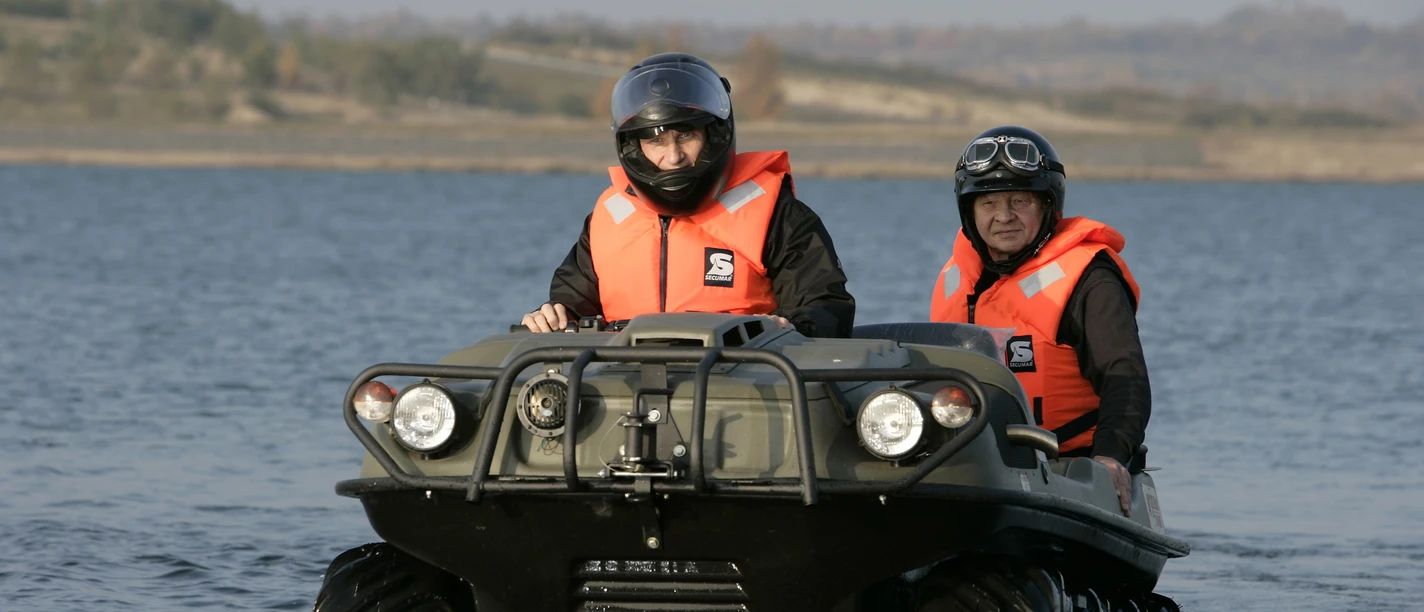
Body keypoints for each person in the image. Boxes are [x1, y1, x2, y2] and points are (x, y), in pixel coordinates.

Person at [522, 53, 855, 338]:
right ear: (634, 147)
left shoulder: (777, 215)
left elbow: (825, 307)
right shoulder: (608, 220)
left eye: (686, 136)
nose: (674, 156)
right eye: (656, 142)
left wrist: (789, 328)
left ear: (713, 134)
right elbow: (569, 307)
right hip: (621, 387)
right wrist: (550, 316)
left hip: (747, 387)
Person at [929, 125, 1149, 516]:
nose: (1004, 217)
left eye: (1020, 202)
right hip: (972, 462)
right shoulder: (956, 278)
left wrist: (1112, 457)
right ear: (969, 212)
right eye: (989, 204)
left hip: (1063, 467)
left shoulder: (1089, 279)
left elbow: (1124, 375)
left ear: (1048, 206)